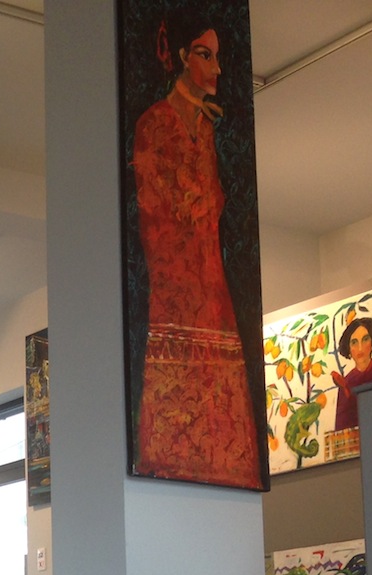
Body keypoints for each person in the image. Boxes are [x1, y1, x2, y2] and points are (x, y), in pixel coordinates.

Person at [130, 12, 262, 490]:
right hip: (176, 288)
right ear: (184, 56)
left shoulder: (207, 126)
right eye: (205, 55)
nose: (217, 69)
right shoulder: (155, 124)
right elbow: (160, 215)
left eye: (217, 57)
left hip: (211, 288)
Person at [331, 316, 372, 431]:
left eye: (365, 339)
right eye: (354, 342)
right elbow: (342, 426)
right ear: (349, 349)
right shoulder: (347, 382)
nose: (360, 348)